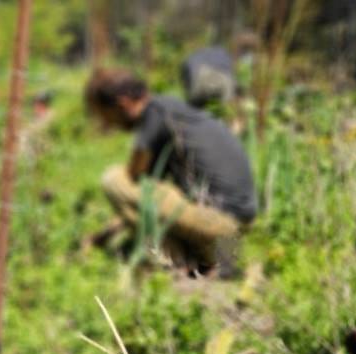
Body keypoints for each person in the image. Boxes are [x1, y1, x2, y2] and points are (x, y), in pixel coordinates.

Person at [84, 68, 257, 276]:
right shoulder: (171, 110)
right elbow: (142, 201)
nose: (106, 124)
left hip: (220, 224)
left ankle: (175, 261)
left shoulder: (154, 113)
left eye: (105, 116)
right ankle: (205, 258)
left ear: (123, 103)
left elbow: (133, 178)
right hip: (233, 224)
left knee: (114, 179)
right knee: (146, 189)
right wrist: (103, 235)